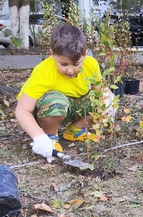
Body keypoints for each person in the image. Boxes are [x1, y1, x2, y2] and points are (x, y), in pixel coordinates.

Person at [15, 24, 115, 162]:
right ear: (52, 54)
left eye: (76, 64)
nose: (70, 70)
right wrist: (39, 138)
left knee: (103, 99)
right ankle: (50, 136)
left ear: (85, 55)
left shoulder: (91, 64)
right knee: (56, 101)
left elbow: (100, 91)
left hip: (73, 105)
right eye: (63, 64)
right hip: (48, 110)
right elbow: (22, 111)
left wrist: (109, 103)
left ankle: (74, 131)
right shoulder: (43, 72)